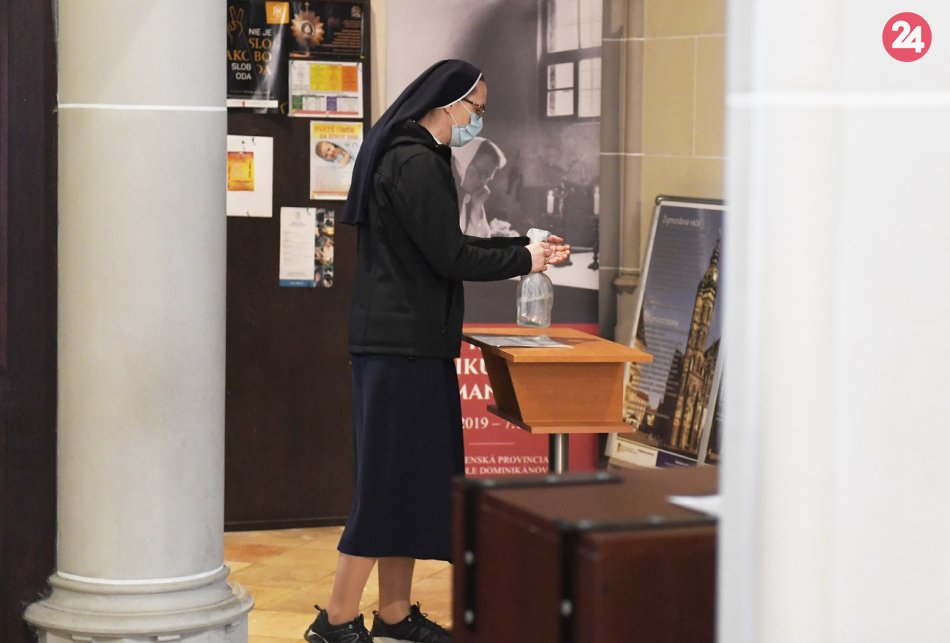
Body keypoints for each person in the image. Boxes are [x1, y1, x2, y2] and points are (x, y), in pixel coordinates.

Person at [304, 59, 570, 643]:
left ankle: (395, 613)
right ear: (449, 103)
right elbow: (450, 258)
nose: (479, 120)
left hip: (410, 344)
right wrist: (524, 260)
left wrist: (522, 245)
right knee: (384, 486)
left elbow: (446, 243)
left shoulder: (415, 155)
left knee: (407, 483)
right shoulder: (416, 161)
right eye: (478, 109)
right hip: (399, 346)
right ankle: (336, 620)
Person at [452, 136, 517, 238]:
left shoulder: (466, 197)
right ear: (465, 162)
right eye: (482, 174)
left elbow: (481, 239)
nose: (483, 183)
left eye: (487, 178)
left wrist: (478, 207)